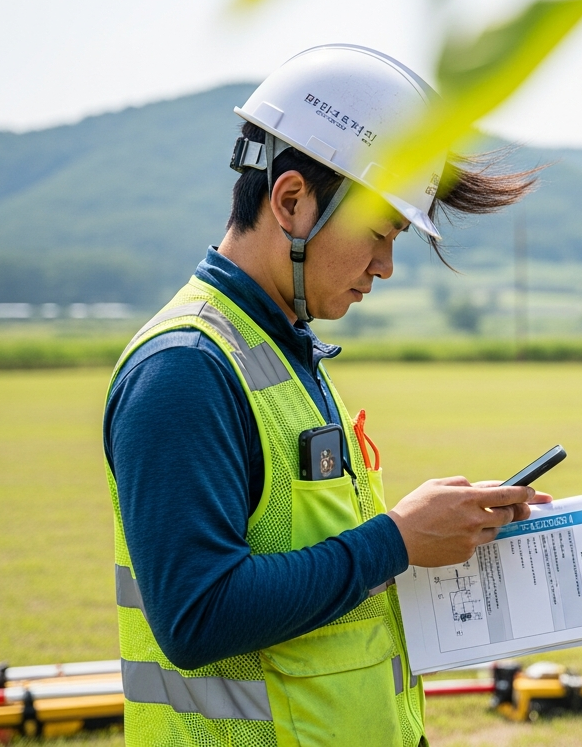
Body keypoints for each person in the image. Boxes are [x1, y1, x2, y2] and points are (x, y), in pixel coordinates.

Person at [102, 44, 543, 747]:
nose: (387, 268)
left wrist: (429, 534)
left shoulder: (283, 348)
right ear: (290, 200)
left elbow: (323, 570)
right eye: (377, 234)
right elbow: (196, 617)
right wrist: (395, 540)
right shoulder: (186, 369)